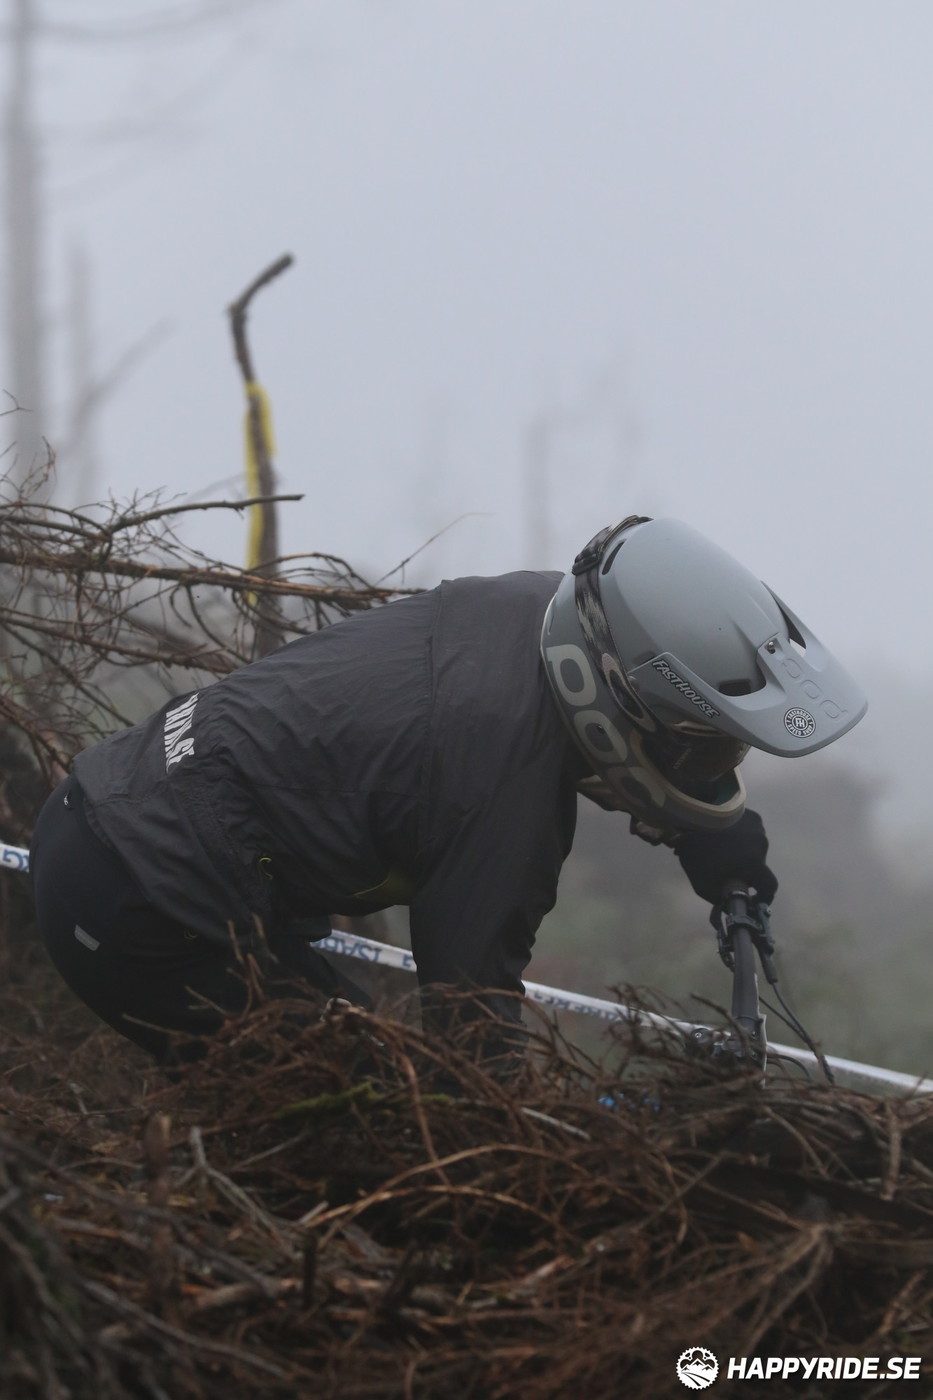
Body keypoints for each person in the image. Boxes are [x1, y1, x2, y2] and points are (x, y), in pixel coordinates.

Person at [29, 514, 867, 1064]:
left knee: (352, 1064)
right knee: (367, 1122)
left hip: (105, 808)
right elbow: (472, 1028)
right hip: (143, 908)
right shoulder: (498, 793)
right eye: (702, 745)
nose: (711, 763)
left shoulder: (538, 608)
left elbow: (618, 709)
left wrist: (716, 838)